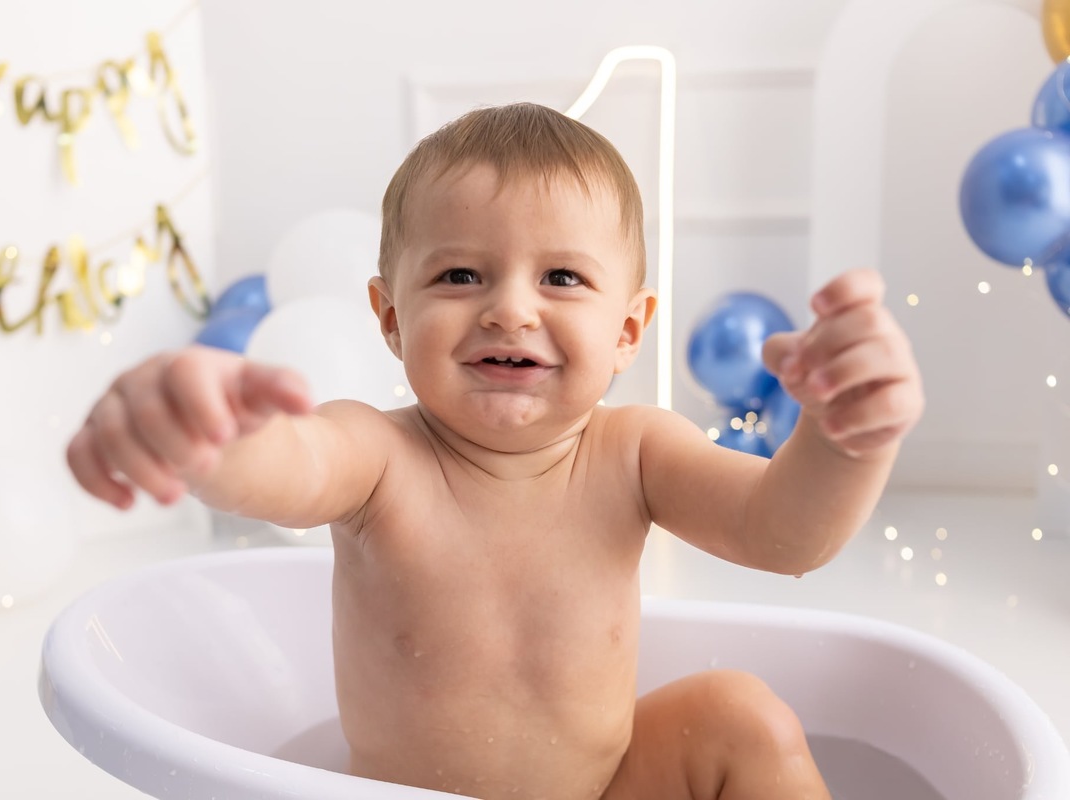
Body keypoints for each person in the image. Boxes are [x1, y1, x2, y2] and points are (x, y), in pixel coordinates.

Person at [67, 102, 923, 800]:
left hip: (606, 790)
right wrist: (207, 431)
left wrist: (848, 437)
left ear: (627, 330)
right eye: (459, 276)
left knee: (745, 717)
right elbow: (290, 467)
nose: (511, 309)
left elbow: (783, 537)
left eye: (562, 278)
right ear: (391, 318)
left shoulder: (635, 452)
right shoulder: (377, 455)